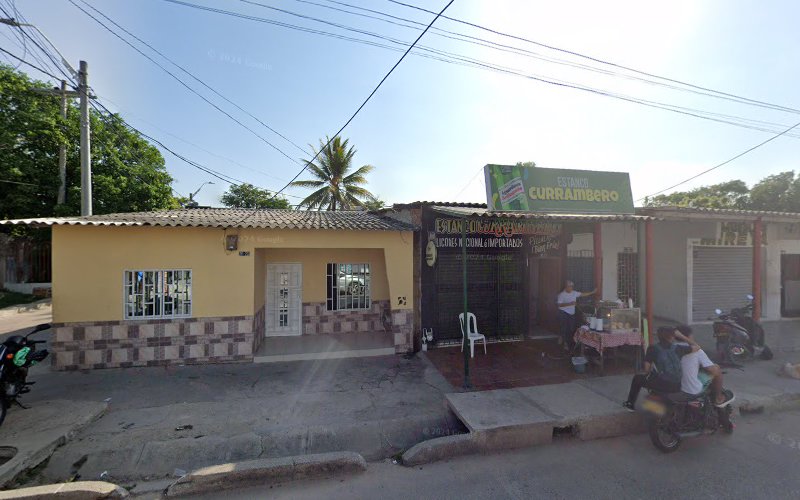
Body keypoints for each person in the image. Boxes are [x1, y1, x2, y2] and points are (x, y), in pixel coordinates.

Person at [623, 326, 700, 411]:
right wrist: (681, 336)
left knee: (637, 378)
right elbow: (697, 347)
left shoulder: (653, 348)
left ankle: (630, 404)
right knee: (657, 378)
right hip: (678, 385)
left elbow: (646, 369)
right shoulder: (678, 348)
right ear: (672, 336)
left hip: (664, 385)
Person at [675, 325, 734, 407]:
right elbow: (711, 369)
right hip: (690, 390)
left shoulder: (669, 348)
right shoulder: (696, 350)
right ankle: (718, 398)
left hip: (672, 387)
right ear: (690, 336)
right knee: (717, 370)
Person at [556, 280, 597, 351]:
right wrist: (570, 303)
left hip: (571, 314)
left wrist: (592, 292)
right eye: (569, 286)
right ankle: (565, 344)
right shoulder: (562, 294)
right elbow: (559, 305)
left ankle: (563, 337)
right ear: (566, 287)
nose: (571, 288)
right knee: (565, 328)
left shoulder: (574, 293)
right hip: (563, 312)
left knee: (571, 328)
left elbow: (583, 294)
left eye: (572, 286)